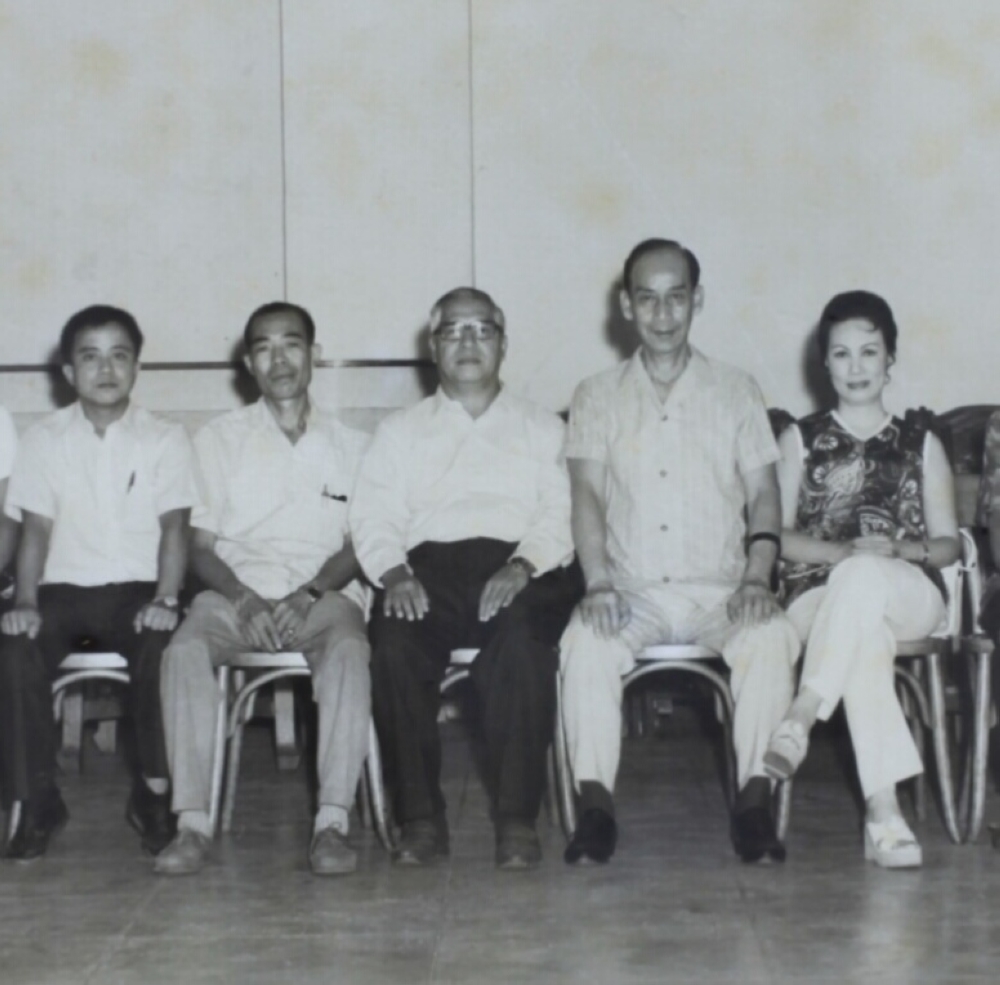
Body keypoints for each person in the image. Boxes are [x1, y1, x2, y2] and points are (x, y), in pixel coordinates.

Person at [559, 239, 799, 866]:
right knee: (584, 642)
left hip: (722, 590)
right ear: (625, 305)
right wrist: (598, 583)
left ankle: (754, 805)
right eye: (648, 299)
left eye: (676, 297)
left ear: (698, 300)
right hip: (630, 591)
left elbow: (765, 493)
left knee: (771, 637)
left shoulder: (737, 389)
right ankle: (595, 808)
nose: (663, 314)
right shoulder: (595, 394)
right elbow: (586, 494)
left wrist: (756, 578)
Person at [350, 287, 582, 870]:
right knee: (393, 643)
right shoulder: (399, 431)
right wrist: (395, 574)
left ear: (503, 343)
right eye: (453, 331)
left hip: (521, 567)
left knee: (524, 641)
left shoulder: (544, 428)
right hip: (426, 572)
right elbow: (374, 517)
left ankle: (516, 818)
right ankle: (419, 819)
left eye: (482, 329)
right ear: (433, 347)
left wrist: (522, 565)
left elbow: (562, 512)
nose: (468, 342)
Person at [155, 302, 371, 877]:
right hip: (236, 594)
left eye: (291, 344)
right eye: (264, 348)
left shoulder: (353, 445)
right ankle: (192, 825)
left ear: (313, 354)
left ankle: (332, 823)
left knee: (350, 648)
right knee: (183, 650)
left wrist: (309, 593)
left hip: (322, 596)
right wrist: (245, 599)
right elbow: (200, 547)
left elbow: (364, 543)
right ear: (248, 362)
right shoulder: (217, 440)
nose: (279, 360)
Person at [764, 290, 959, 869]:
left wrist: (899, 549)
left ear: (890, 358)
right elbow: (776, 537)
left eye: (869, 352)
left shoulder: (922, 443)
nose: (856, 367)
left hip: (909, 592)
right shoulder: (798, 439)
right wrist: (842, 552)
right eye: (841, 353)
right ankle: (884, 813)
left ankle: (802, 712)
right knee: (864, 633)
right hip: (815, 597)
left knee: (867, 577)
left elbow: (948, 544)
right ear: (824, 362)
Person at [0, 305, 197, 860]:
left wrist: (166, 597)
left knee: (164, 646)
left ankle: (154, 795)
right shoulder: (43, 439)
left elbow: (175, 527)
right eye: (90, 357)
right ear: (68, 371)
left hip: (140, 593)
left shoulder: (165, 437)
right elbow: (36, 529)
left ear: (137, 367)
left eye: (119, 356)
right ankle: (37, 800)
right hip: (65, 598)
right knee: (14, 649)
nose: (105, 369)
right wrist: (25, 601)